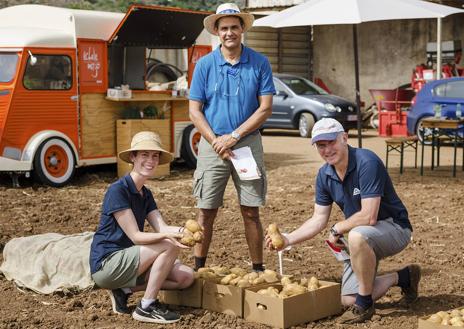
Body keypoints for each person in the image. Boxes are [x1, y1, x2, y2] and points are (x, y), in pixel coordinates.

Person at [265, 118, 420, 324]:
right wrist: (287, 239)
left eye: (332, 142)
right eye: (321, 145)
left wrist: (338, 228)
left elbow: (369, 216)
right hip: (366, 235)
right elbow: (318, 218)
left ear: (344, 138)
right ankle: (404, 277)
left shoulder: (367, 162)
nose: (327, 149)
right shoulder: (324, 175)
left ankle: (365, 306)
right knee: (348, 299)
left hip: (395, 228)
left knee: (356, 236)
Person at [188, 3, 275, 272]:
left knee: (251, 210)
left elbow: (265, 108)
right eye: (223, 28)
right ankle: (199, 269)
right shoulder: (204, 65)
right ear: (216, 31)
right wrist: (216, 140)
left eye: (234, 27)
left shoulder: (259, 63)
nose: (229, 33)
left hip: (247, 143)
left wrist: (234, 137)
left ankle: (258, 269)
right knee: (206, 210)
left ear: (242, 29)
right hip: (211, 145)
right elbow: (194, 110)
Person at [89, 131, 194, 324]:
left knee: (186, 277)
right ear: (133, 157)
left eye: (155, 156)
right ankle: (146, 306)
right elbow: (136, 236)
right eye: (144, 155)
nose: (151, 160)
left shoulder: (145, 194)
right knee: (167, 245)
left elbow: (162, 227)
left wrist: (185, 232)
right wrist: (169, 240)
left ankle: (123, 291)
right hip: (107, 264)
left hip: (130, 261)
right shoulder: (118, 190)